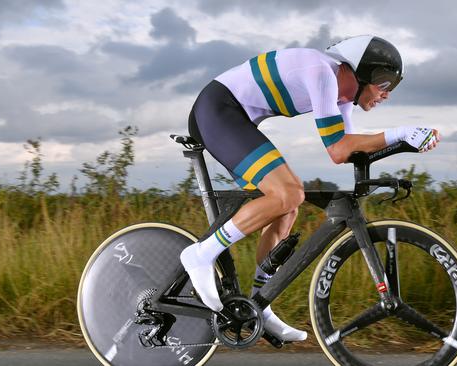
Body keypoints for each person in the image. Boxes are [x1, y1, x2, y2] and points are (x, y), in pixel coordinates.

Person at [181, 35, 440, 342]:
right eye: (384, 84)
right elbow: (338, 148)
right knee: (288, 192)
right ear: (361, 73)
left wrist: (403, 144)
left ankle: (259, 304)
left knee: (286, 206)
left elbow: (348, 150)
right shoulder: (323, 74)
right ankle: (201, 254)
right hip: (219, 108)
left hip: (235, 116)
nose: (386, 94)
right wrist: (400, 132)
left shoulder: (343, 98)